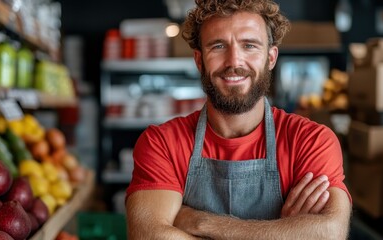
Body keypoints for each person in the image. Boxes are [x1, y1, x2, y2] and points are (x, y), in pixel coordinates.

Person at [125, 0, 352, 239]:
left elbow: (329, 232)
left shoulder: (310, 141)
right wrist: (283, 232)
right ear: (199, 60)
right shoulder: (162, 143)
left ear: (271, 57)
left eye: (250, 46)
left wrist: (200, 222)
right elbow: (148, 236)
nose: (234, 62)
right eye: (219, 46)